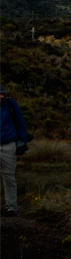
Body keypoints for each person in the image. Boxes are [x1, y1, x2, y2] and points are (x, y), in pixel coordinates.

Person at [0, 85, 29, 216]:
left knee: (9, 177)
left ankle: (11, 207)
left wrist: (22, 141)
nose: (2, 96)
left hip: (8, 145)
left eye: (3, 94)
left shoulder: (10, 104)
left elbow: (20, 122)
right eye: (0, 94)